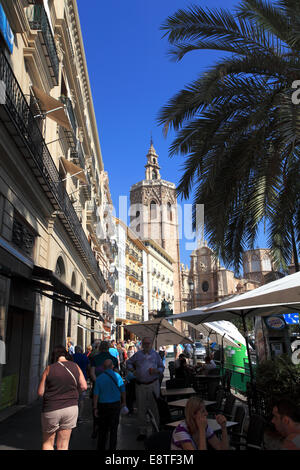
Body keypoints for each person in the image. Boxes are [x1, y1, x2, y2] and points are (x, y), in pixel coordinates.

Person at [37, 345, 87, 450]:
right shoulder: (75, 366)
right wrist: (74, 393)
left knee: (48, 443)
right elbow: (84, 386)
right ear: (66, 354)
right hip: (70, 408)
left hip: (51, 408)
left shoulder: (49, 369)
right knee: (63, 445)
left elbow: (40, 392)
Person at [126, 336, 164, 441]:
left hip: (153, 384)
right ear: (142, 344)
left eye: (148, 343)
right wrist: (132, 370)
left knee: (154, 408)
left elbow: (162, 367)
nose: (146, 345)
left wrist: (156, 371)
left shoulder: (156, 355)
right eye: (145, 343)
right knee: (141, 408)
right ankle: (142, 431)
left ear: (151, 344)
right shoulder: (137, 355)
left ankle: (155, 429)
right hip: (140, 385)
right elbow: (128, 363)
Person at [93, 359, 127, 450]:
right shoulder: (117, 376)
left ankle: (101, 448)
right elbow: (123, 391)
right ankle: (112, 448)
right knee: (113, 429)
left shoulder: (99, 378)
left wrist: (95, 407)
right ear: (112, 366)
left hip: (103, 406)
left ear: (103, 367)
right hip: (115, 405)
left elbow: (96, 394)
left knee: (102, 430)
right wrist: (124, 402)